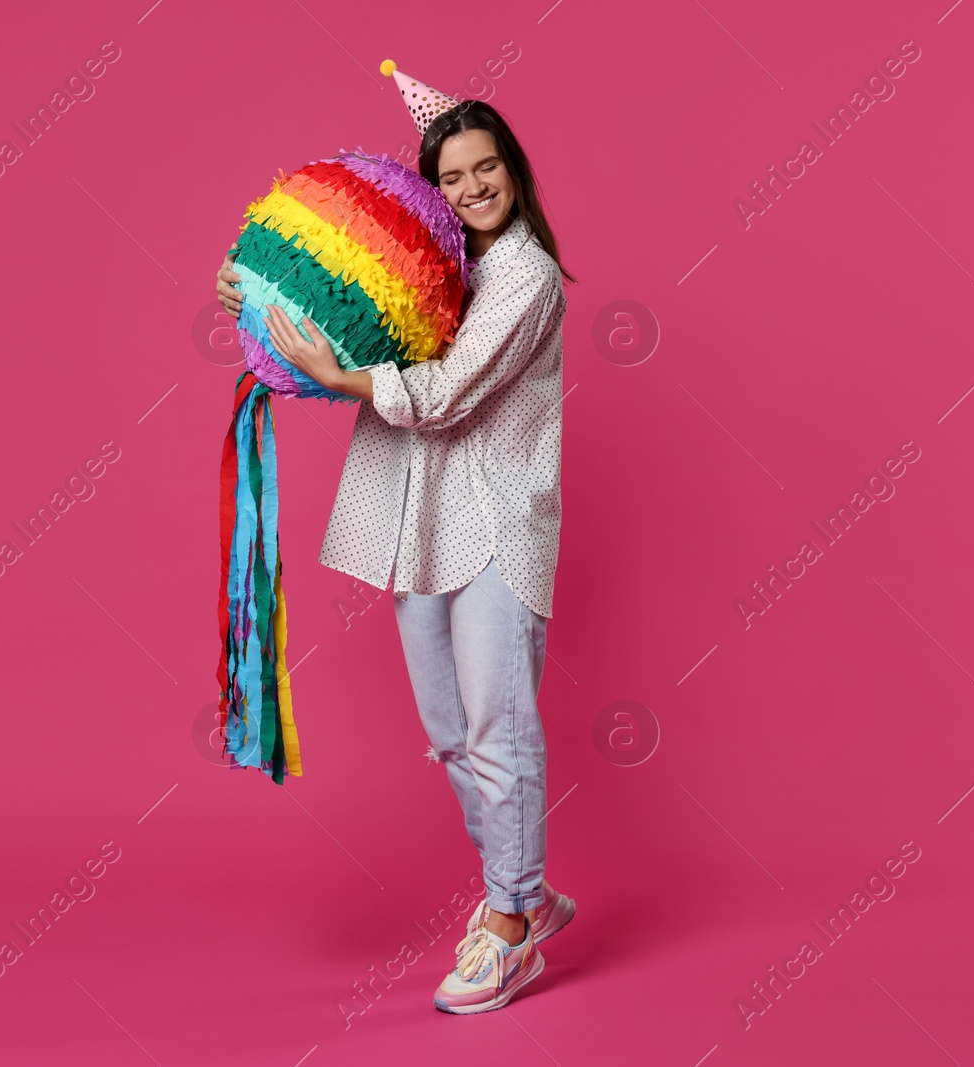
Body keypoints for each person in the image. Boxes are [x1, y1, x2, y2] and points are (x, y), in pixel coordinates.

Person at [215, 60, 575, 1015]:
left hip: (495, 525)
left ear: (514, 170)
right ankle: (529, 891)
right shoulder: (429, 270)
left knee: (501, 729)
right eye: (451, 175)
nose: (471, 188)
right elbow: (360, 328)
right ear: (430, 185)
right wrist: (262, 293)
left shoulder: (525, 276)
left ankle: (508, 924)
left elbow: (443, 392)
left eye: (486, 167)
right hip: (420, 527)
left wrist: (336, 377)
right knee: (452, 735)